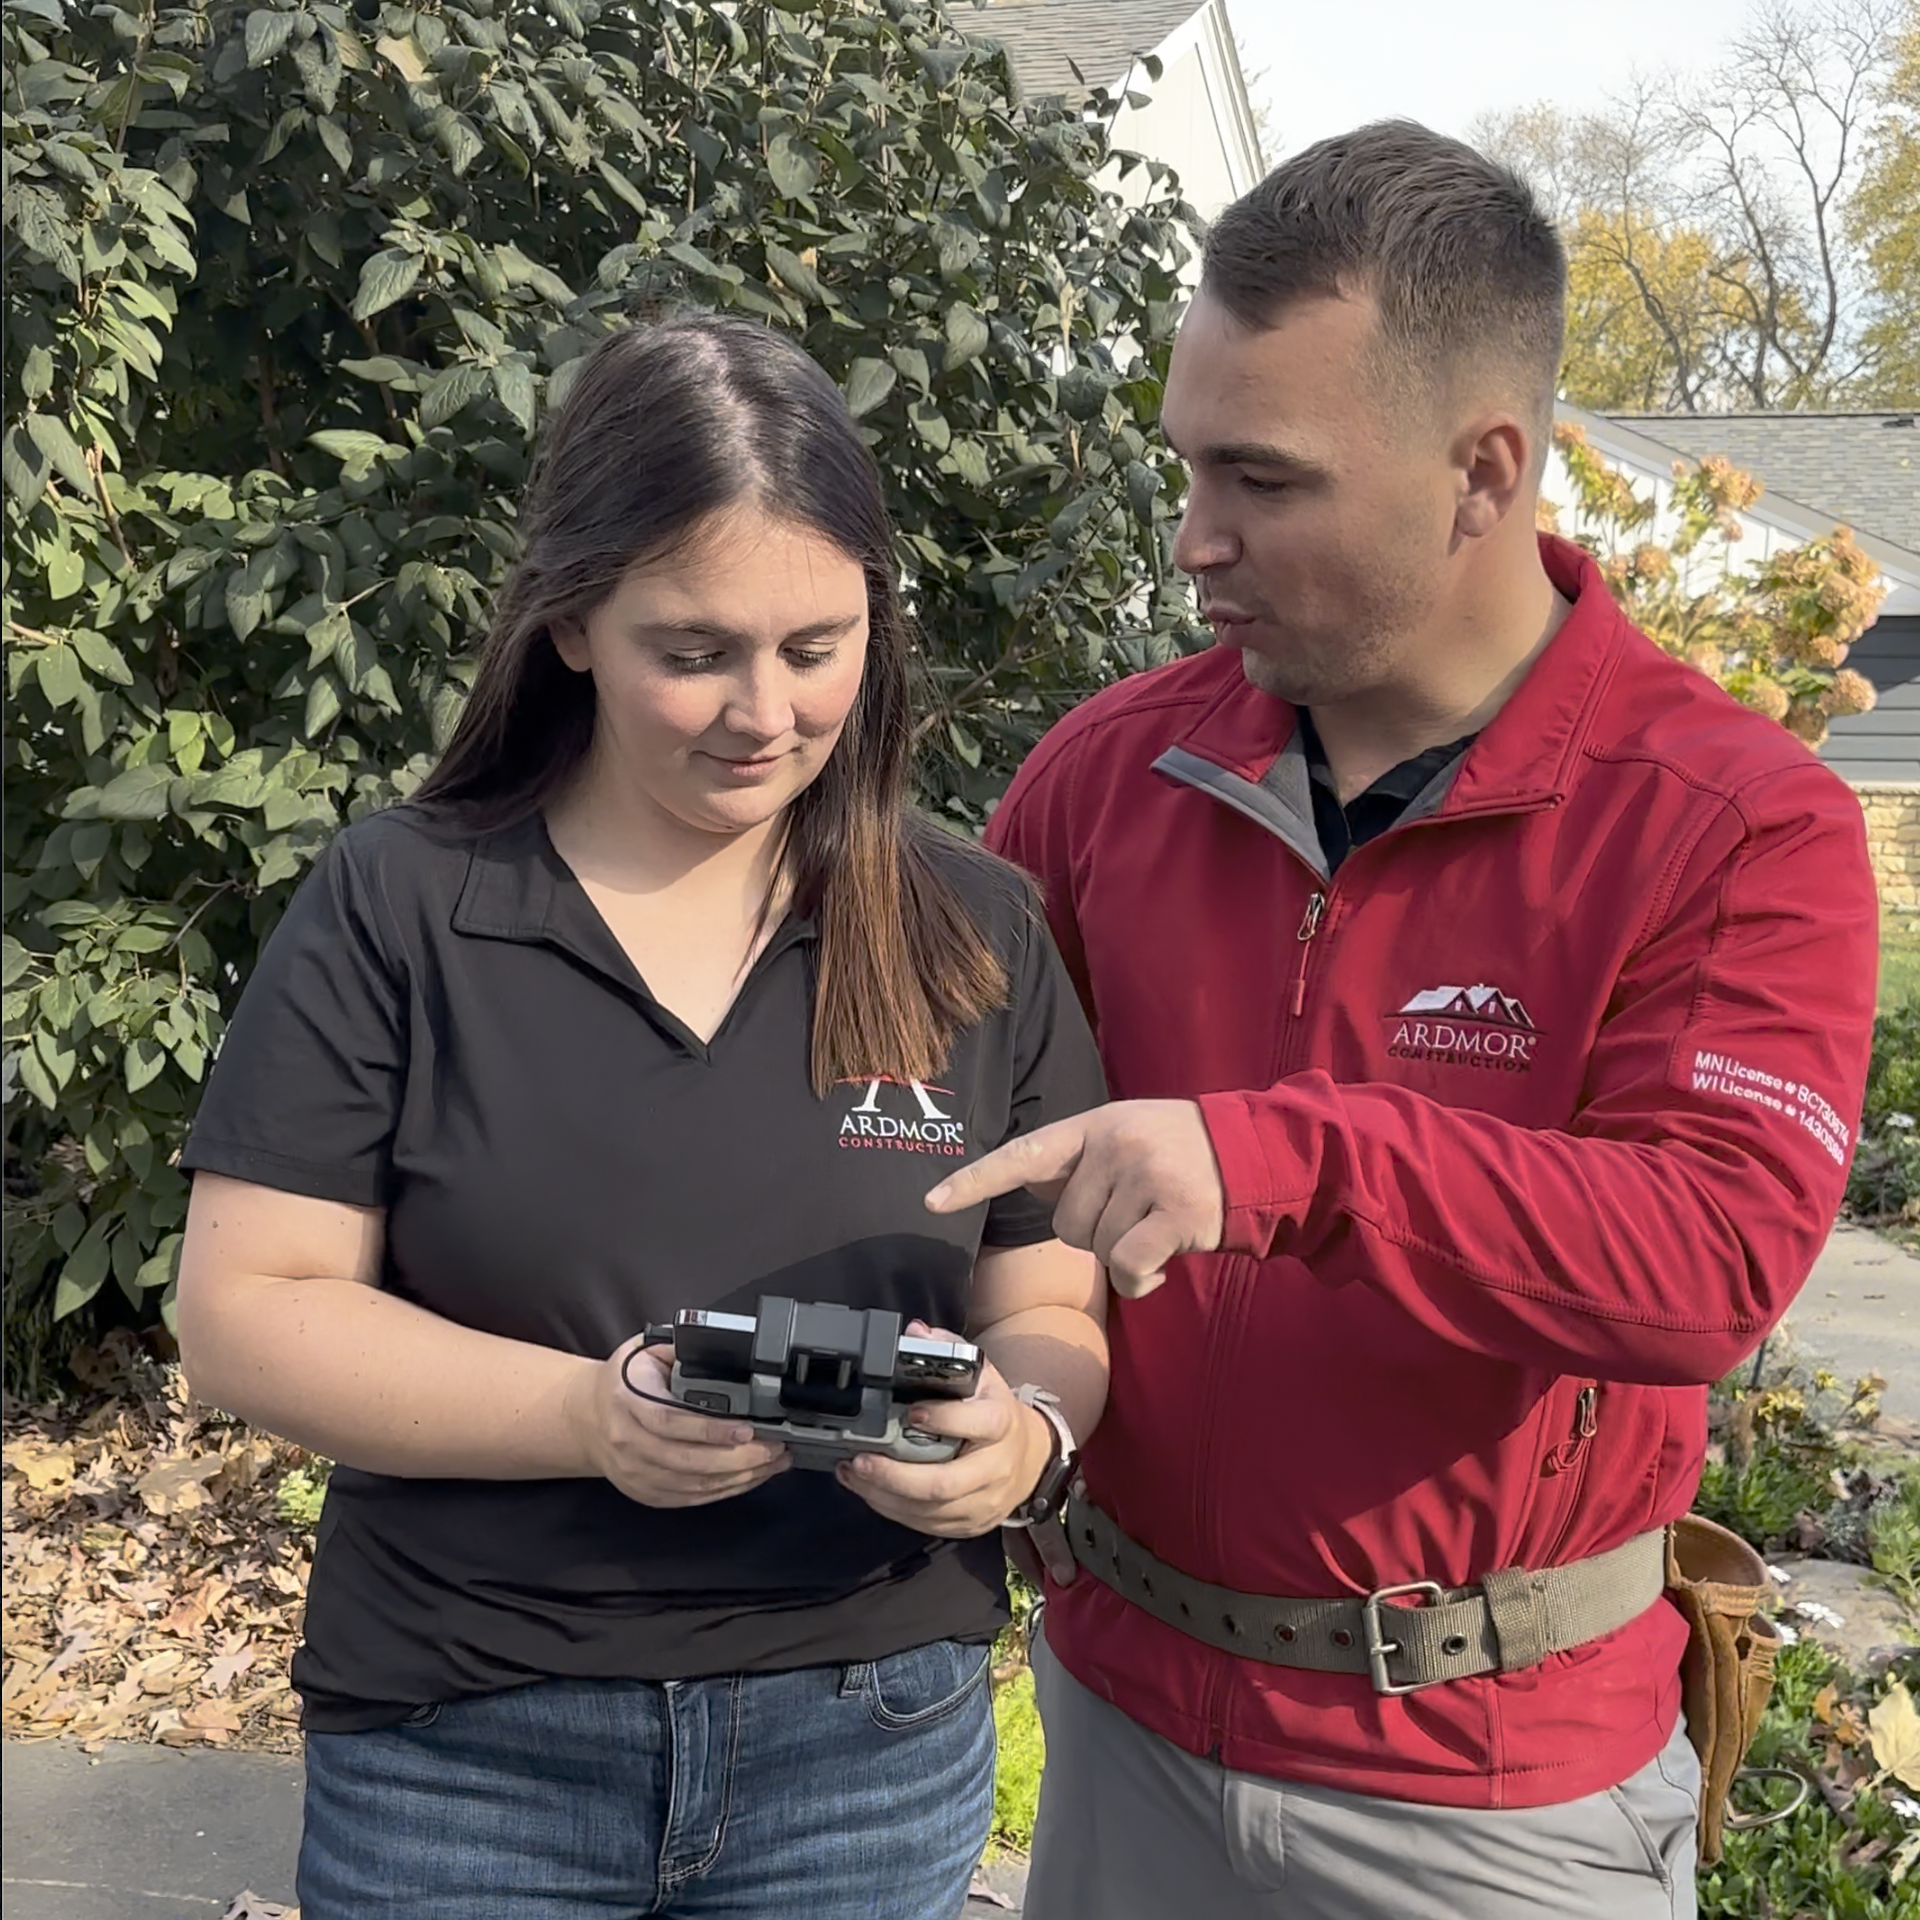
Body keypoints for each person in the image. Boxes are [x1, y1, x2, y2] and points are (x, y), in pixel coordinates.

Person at [928, 122, 1880, 1920]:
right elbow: (934, 1108)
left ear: (1482, 471)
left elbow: (1709, 1258)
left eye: (1263, 481)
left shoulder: (1734, 821)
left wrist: (1280, 1148)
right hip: (1121, 1721)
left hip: (1493, 1797)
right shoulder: (1110, 772)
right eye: (1188, 467)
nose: (1195, 540)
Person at [174, 313, 1109, 1920]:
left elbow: (1047, 1289)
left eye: (818, 646)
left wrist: (1026, 1436)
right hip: (469, 1743)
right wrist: (589, 1419)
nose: (766, 711)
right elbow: (246, 1317)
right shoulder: (405, 903)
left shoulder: (973, 926)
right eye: (696, 651)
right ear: (572, 625)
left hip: (867, 1744)